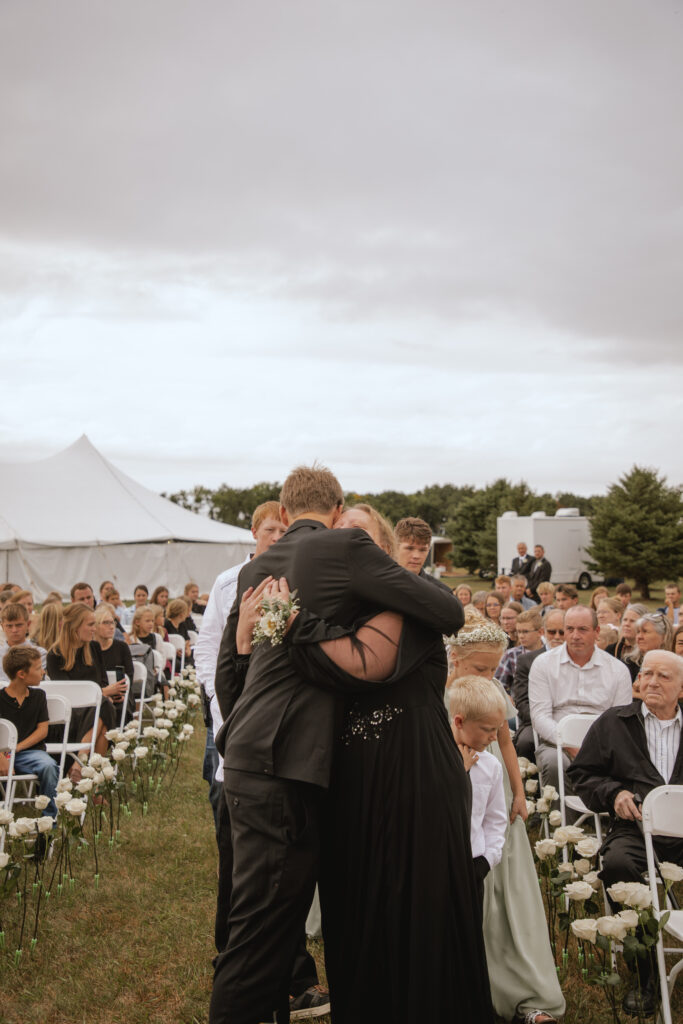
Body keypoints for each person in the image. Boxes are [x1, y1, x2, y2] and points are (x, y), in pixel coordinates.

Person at [210, 467, 475, 1024]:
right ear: (332, 519)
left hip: (389, 777)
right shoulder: (283, 579)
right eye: (342, 525)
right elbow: (238, 684)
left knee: (277, 926)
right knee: (267, 930)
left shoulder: (288, 577)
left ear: (375, 555)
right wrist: (247, 640)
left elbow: (374, 658)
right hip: (297, 772)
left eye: (357, 536)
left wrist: (288, 628)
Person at [447, 613, 564, 1024]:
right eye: (480, 668)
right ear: (454, 658)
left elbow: (506, 743)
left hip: (492, 780)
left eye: (495, 667)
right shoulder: (440, 693)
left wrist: (518, 790)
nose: (489, 674)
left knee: (501, 881)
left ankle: (514, 978)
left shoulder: (492, 690)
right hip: (455, 783)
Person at [567, 649, 683, 1018]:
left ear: (682, 686)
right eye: (646, 674)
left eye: (663, 676)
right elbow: (581, 775)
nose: (651, 682)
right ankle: (646, 973)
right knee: (615, 864)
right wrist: (613, 794)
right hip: (636, 830)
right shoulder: (614, 722)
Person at [529, 605, 632, 801]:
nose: (575, 635)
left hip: (603, 745)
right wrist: (568, 743)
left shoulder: (617, 670)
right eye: (570, 629)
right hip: (556, 742)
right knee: (554, 762)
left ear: (597, 632)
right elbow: (539, 715)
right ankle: (566, 827)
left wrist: (592, 748)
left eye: (582, 629)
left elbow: (621, 720)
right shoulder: (543, 664)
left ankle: (605, 817)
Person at [449, 676, 508, 905]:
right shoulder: (433, 761)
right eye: (487, 729)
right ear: (459, 721)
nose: (494, 737)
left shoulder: (491, 766)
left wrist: (485, 861)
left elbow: (495, 820)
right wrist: (459, 773)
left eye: (498, 729)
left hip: (474, 865)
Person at [46, 602, 118, 766]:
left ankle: (81, 762)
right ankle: (91, 772)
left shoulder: (94, 647)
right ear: (75, 626)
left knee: (104, 707)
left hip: (97, 708)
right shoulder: (55, 654)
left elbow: (103, 681)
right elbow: (66, 693)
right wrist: (102, 693)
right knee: (104, 708)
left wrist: (102, 694)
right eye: (91, 624)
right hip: (69, 715)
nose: (95, 629)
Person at [0, 646, 58, 819]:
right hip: (2, 754)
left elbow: (42, 730)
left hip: (30, 753)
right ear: (21, 674)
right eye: (38, 668)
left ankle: (48, 822)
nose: (43, 671)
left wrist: (16, 748)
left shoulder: (38, 696)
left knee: (48, 766)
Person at [512, 609, 566, 759]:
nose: (557, 637)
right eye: (552, 632)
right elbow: (522, 702)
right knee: (526, 742)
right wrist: (544, 721)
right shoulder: (527, 660)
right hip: (534, 721)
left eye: (561, 632)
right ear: (543, 631)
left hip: (568, 719)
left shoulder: (577, 659)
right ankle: (530, 781)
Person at [94, 604, 134, 722]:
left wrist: (119, 693)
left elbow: (129, 675)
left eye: (113, 623)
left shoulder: (121, 647)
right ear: (95, 626)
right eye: (106, 623)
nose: (111, 627)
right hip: (99, 693)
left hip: (122, 694)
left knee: (120, 708)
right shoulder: (90, 649)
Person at [495, 608, 544, 694]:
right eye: (519, 632)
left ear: (540, 632)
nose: (521, 636)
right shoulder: (511, 655)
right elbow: (499, 686)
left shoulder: (550, 652)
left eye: (525, 632)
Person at [0, 603, 47, 681]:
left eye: (19, 625)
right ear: (2, 626)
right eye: (9, 626)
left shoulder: (40, 653)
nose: (14, 630)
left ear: (28, 624)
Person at [625, 612, 675, 685]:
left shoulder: (675, 666)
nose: (639, 637)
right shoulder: (628, 663)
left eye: (645, 631)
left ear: (663, 637)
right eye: (638, 632)